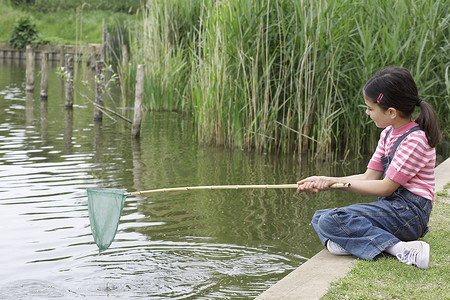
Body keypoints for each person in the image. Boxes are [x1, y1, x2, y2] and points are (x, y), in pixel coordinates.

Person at [297, 67, 442, 269]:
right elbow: (368, 177)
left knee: (331, 220)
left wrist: (334, 184)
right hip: (393, 209)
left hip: (409, 215)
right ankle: (355, 242)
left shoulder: (415, 140)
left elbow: (385, 188)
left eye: (370, 108)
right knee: (320, 216)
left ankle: (402, 249)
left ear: (391, 112)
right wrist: (327, 180)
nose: (367, 113)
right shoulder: (388, 134)